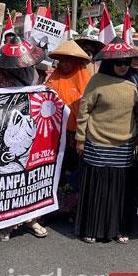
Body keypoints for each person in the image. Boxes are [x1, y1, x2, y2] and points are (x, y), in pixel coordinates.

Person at [75, 38, 138, 244]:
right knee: (98, 189)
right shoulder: (96, 81)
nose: (123, 66)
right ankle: (92, 229)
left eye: (126, 62)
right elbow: (84, 111)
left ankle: (119, 229)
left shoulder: (134, 83)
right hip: (96, 143)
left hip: (124, 146)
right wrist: (80, 138)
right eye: (118, 63)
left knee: (119, 192)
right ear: (109, 63)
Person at [0, 35, 49, 241]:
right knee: (8, 176)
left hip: (32, 131)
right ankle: (7, 223)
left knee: (31, 174)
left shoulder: (35, 74)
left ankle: (32, 219)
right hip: (5, 133)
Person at [46, 40, 92, 219]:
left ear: (75, 61)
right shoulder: (54, 77)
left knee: (74, 171)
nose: (64, 64)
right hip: (55, 134)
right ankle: (55, 207)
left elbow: (87, 106)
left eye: (68, 60)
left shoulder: (83, 76)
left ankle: (73, 208)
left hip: (76, 134)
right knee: (58, 170)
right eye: (61, 60)